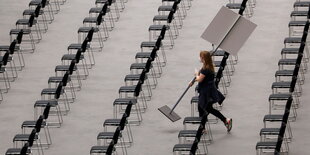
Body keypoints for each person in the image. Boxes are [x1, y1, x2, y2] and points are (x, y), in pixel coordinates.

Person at [189, 50, 232, 132]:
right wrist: (194, 79)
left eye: (200, 57)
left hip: (206, 93)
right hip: (209, 91)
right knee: (203, 108)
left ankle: (225, 120)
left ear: (204, 58)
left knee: (206, 108)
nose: (199, 58)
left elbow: (200, 79)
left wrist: (195, 76)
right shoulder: (207, 66)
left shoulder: (205, 69)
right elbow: (200, 75)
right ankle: (203, 127)